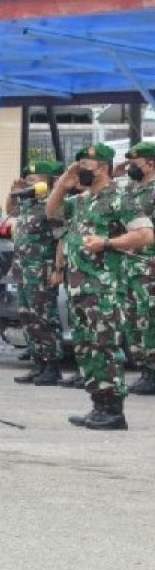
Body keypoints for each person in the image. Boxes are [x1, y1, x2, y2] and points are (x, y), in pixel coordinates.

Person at [47, 142, 153, 430]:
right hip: (79, 289)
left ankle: (114, 410)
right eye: (79, 164)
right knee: (85, 348)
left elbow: (145, 235)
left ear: (104, 167)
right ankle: (98, 405)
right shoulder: (81, 201)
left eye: (87, 165)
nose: (81, 169)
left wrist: (106, 243)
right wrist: (62, 181)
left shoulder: (120, 198)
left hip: (104, 288)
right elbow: (51, 212)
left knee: (103, 346)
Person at [7, 160, 65, 387]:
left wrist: (58, 269)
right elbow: (8, 211)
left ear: (48, 182)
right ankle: (38, 362)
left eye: (34, 179)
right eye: (27, 179)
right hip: (23, 271)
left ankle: (52, 366)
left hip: (42, 271)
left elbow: (61, 238)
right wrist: (14, 191)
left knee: (45, 318)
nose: (29, 182)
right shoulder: (28, 203)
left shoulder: (52, 205)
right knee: (28, 318)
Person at [119, 142, 155, 394]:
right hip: (131, 265)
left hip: (149, 265)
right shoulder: (131, 189)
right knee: (134, 320)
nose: (131, 168)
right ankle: (145, 369)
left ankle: (152, 372)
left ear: (151, 164)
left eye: (136, 163)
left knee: (149, 319)